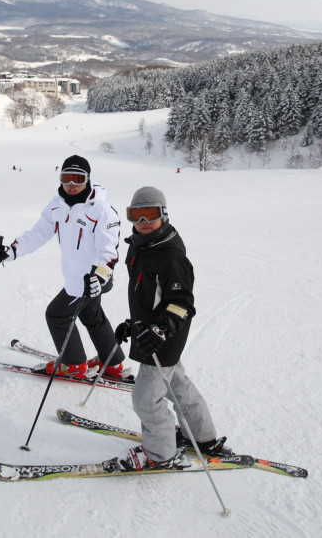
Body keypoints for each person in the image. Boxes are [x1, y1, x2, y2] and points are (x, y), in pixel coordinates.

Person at [105, 186, 231, 472]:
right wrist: (132, 323)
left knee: (146, 399)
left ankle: (159, 454)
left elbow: (182, 303)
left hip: (162, 339)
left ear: (163, 214)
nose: (143, 221)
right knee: (178, 384)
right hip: (150, 331)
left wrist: (161, 328)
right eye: (136, 215)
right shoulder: (140, 245)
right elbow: (148, 294)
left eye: (150, 214)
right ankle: (202, 436)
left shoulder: (170, 255)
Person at [0, 155, 127, 380]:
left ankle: (73, 365)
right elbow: (38, 233)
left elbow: (109, 252)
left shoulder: (101, 210)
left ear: (88, 180)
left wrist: (98, 278)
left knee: (57, 315)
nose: (72, 185)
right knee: (91, 315)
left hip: (92, 278)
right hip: (75, 276)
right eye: (66, 178)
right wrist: (12, 251)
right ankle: (112, 363)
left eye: (78, 179)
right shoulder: (57, 205)